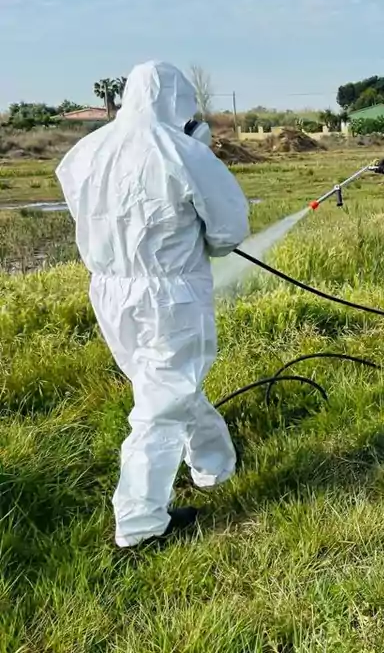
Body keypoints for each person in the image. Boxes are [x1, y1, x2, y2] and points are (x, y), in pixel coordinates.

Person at [55, 61, 251, 548]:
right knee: (160, 405)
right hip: (171, 294)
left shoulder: (85, 152)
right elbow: (228, 232)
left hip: (109, 291)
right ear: (179, 103)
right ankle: (141, 523)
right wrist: (198, 156)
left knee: (163, 386)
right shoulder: (183, 152)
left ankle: (213, 463)